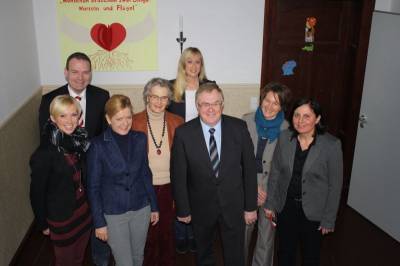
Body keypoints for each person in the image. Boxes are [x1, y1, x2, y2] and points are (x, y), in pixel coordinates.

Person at [171, 82, 258, 266]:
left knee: (235, 254)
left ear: (222, 104)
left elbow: (250, 170)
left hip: (234, 205)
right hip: (200, 207)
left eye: (215, 103)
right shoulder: (183, 133)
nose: (211, 109)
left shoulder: (239, 128)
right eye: (205, 104)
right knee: (204, 254)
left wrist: (250, 206)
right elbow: (178, 175)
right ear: (197, 106)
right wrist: (183, 209)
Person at [38, 52, 111, 266]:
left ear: (91, 74)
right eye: (75, 72)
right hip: (64, 177)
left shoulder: (101, 96)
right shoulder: (49, 99)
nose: (80, 77)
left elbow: (105, 136)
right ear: (66, 73)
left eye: (85, 72)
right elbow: (45, 138)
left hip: (94, 171)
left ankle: (100, 259)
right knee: (68, 244)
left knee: (95, 218)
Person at [264, 98, 343, 266]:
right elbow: (275, 172)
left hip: (314, 211)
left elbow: (335, 186)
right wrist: (270, 203)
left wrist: (329, 219)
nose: (300, 121)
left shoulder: (331, 145)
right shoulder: (285, 138)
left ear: (318, 119)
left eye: (307, 116)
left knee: (311, 255)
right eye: (296, 115)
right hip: (286, 207)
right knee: (285, 252)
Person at [87, 95, 159, 266]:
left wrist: (154, 206)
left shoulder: (140, 138)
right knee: (124, 262)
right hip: (113, 213)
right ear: (108, 119)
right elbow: (93, 187)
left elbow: (145, 174)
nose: (125, 123)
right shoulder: (97, 145)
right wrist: (99, 222)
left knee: (137, 257)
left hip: (141, 207)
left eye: (128, 117)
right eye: (119, 118)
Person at [30, 95, 92, 266]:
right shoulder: (44, 153)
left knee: (79, 258)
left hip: (84, 213)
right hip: (62, 218)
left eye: (74, 114)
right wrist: (42, 223)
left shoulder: (80, 141)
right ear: (52, 118)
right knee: (65, 261)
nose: (69, 121)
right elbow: (36, 193)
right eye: (62, 115)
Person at [132, 78, 184, 266]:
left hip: (169, 185)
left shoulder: (178, 122)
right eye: (155, 96)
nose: (159, 102)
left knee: (166, 232)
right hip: (143, 186)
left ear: (169, 100)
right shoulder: (133, 121)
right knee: (146, 235)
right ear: (147, 97)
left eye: (164, 98)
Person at [168, 46, 214, 253]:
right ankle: (180, 235)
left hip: (203, 148)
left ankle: (196, 234)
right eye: (189, 61)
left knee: (199, 193)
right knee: (179, 190)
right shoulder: (171, 87)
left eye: (198, 61)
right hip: (177, 146)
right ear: (183, 64)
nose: (194, 66)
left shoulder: (210, 86)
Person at [242, 82, 291, 266]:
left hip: (272, 188)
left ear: (282, 107)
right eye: (267, 100)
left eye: (276, 103)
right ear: (262, 100)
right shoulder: (246, 121)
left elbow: (285, 167)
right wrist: (252, 186)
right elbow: (238, 159)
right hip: (247, 185)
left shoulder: (287, 129)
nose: (270, 106)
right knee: (243, 233)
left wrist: (267, 192)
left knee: (267, 236)